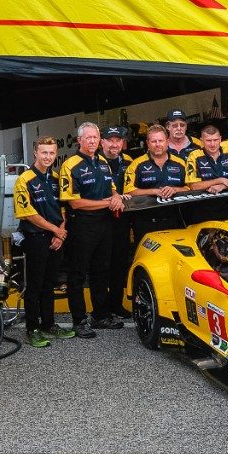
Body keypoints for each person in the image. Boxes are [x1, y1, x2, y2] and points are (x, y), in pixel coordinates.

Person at [58, 122, 125, 338]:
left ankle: (100, 315)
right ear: (79, 141)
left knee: (101, 271)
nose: (93, 141)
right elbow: (74, 203)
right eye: (88, 138)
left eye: (95, 138)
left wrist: (115, 197)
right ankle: (79, 321)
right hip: (82, 225)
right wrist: (108, 203)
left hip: (104, 224)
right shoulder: (70, 165)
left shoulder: (103, 161)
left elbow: (113, 189)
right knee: (78, 274)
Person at [14, 136, 74, 347]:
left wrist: (61, 233)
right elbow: (27, 214)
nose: (48, 156)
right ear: (35, 153)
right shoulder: (24, 179)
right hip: (36, 238)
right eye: (44, 152)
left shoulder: (58, 178)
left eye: (51, 153)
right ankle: (33, 329)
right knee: (35, 285)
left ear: (55, 155)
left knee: (50, 284)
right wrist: (55, 230)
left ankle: (49, 324)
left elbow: (64, 208)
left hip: (56, 238)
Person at [124, 124, 190, 245]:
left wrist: (175, 190)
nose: (157, 144)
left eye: (161, 140)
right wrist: (154, 191)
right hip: (145, 223)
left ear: (167, 141)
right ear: (148, 143)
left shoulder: (180, 163)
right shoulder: (136, 164)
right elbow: (128, 191)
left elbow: (191, 188)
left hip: (174, 221)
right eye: (154, 141)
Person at [96, 126, 134, 318]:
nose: (114, 144)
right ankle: (101, 309)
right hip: (99, 218)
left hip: (121, 221)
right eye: (109, 140)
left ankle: (116, 305)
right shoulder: (94, 161)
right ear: (102, 142)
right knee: (102, 264)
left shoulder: (129, 161)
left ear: (122, 142)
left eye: (117, 140)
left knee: (119, 263)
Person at [185, 124, 228, 223]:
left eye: (215, 140)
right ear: (201, 141)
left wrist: (223, 186)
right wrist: (220, 180)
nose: (213, 144)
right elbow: (194, 186)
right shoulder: (194, 156)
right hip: (204, 210)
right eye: (209, 140)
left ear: (220, 139)